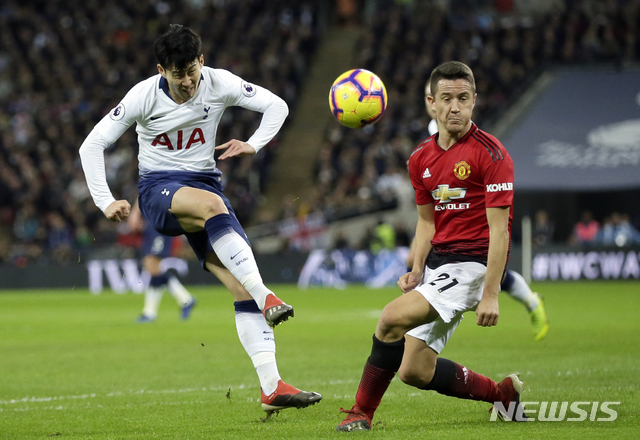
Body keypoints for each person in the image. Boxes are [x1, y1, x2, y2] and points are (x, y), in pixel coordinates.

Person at [79, 24, 321, 413]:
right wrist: (104, 200)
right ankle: (269, 297)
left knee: (240, 287)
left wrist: (254, 144)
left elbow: (277, 106)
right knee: (214, 209)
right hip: (158, 190)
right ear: (162, 70)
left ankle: (272, 388)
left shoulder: (218, 82)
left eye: (192, 70)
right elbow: (92, 144)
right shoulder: (142, 96)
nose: (188, 81)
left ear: (202, 61)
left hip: (205, 186)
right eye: (179, 74)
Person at [337, 61, 527, 431]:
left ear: (474, 101)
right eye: (447, 98)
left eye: (463, 98)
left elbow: (500, 231)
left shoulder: (492, 154)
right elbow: (427, 222)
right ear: (431, 103)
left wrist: (490, 293)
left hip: (474, 266)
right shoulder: (420, 158)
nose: (455, 107)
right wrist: (417, 268)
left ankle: (361, 413)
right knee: (414, 370)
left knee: (390, 318)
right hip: (440, 266)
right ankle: (502, 395)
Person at [405, 79, 549, 342]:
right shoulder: (429, 142)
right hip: (445, 236)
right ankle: (529, 300)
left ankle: (531, 301)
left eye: (458, 98)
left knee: (487, 275)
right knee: (415, 352)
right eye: (436, 97)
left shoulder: (465, 137)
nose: (450, 105)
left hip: (474, 235)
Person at [127, 200, 196, 323]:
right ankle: (183, 300)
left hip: (161, 221)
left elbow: (144, 193)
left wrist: (135, 213)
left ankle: (151, 312)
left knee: (151, 264)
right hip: (153, 222)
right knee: (153, 268)